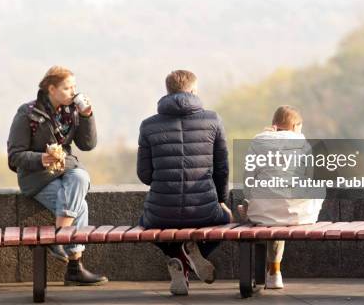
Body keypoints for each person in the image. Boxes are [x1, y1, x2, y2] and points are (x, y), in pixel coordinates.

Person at [7, 65, 107, 286]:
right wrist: (41, 159)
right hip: (36, 178)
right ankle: (74, 268)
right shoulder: (27, 113)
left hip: (64, 171)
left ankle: (58, 236)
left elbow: (87, 145)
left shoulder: (71, 111)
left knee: (80, 178)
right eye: (67, 88)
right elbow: (15, 156)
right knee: (80, 206)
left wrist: (87, 116)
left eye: (74, 87)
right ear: (51, 89)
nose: (73, 92)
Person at [137, 70, 233, 295]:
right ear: (193, 91)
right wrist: (221, 201)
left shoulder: (148, 125)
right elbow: (222, 169)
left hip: (161, 215)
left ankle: (177, 258)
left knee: (145, 222)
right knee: (227, 220)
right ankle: (191, 254)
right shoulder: (213, 120)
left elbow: (144, 175)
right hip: (205, 211)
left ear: (168, 91)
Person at [238, 105, 323, 289]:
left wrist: (249, 200)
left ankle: (274, 271)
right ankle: (274, 271)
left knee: (271, 205)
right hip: (298, 215)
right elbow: (309, 179)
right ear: (294, 126)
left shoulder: (258, 141)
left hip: (262, 212)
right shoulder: (303, 143)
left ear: (274, 124)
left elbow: (248, 179)